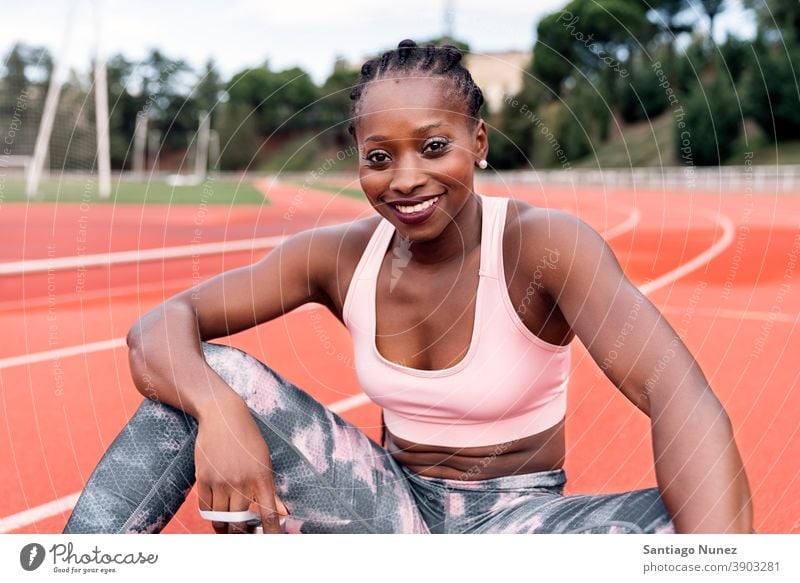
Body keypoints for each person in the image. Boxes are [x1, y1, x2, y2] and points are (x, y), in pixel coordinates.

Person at [63, 39, 753, 535]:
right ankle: (77, 561)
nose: (405, 180)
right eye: (378, 158)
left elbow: (675, 389)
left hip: (522, 524)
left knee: (695, 524)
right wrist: (218, 412)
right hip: (383, 513)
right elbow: (159, 326)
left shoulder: (545, 246)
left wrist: (717, 559)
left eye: (433, 147)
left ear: (478, 141)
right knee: (205, 374)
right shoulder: (339, 257)